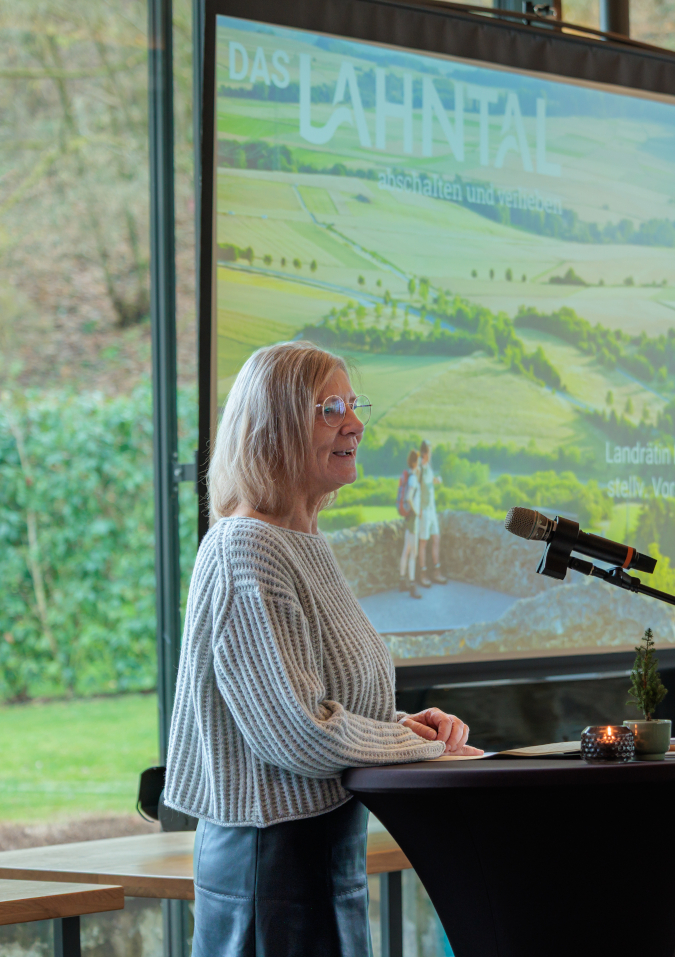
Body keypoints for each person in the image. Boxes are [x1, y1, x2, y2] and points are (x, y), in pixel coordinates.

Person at [162, 341, 482, 957]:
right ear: (273, 427)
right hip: (269, 868)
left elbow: (321, 702)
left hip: (322, 857)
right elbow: (298, 733)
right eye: (329, 408)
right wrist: (420, 747)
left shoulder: (302, 542)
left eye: (353, 405)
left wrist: (406, 724)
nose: (355, 423)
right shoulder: (246, 549)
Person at [417, 440, 447, 586]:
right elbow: (415, 489)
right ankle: (422, 576)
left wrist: (435, 480)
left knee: (436, 539)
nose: (431, 454)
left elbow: (428, 484)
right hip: (423, 511)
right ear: (424, 453)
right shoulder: (419, 467)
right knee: (423, 543)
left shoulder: (428, 466)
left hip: (432, 510)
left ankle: (436, 572)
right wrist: (419, 510)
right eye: (429, 451)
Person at [398, 450, 422, 598]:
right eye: (418, 461)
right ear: (415, 462)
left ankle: (402, 581)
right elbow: (409, 498)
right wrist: (417, 512)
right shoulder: (413, 479)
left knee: (406, 551)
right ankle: (412, 585)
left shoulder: (410, 476)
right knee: (413, 553)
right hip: (413, 519)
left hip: (408, 519)